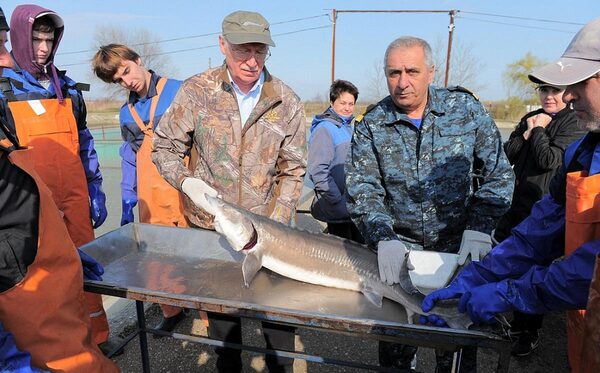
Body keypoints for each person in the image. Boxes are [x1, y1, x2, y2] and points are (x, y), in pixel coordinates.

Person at [422, 17, 600, 373]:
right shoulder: (583, 151)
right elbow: (539, 234)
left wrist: (513, 293)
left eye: (580, 83)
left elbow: (594, 269)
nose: (568, 96)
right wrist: (478, 276)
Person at [345, 36, 514, 372]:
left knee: (456, 350)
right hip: (399, 257)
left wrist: (479, 229)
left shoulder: (464, 111)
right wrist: (382, 237)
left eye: (412, 71)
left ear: (431, 72)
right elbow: (363, 188)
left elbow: (499, 175)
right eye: (393, 73)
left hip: (458, 252)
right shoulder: (373, 125)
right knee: (396, 347)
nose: (402, 82)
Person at [152, 10, 306, 373]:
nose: (251, 61)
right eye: (242, 51)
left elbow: (294, 169)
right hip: (212, 232)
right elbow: (163, 148)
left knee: (280, 334)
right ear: (222, 45)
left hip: (269, 232)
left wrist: (277, 226)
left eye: (260, 51)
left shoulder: (286, 100)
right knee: (224, 334)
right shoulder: (197, 91)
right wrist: (186, 182)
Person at [0, 6, 118, 371]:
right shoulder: (5, 90)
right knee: (47, 292)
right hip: (31, 212)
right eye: (36, 38)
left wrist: (95, 187)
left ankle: (97, 340)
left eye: (49, 39)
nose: (42, 47)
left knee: (85, 278)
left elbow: (84, 142)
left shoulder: (66, 87)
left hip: (74, 197)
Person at [91, 43, 188, 336]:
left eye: (127, 71)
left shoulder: (181, 91)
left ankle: (215, 314)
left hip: (187, 191)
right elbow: (130, 157)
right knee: (157, 257)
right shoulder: (126, 113)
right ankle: (172, 311)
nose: (127, 81)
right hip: (152, 199)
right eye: (118, 80)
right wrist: (127, 197)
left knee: (203, 250)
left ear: (138, 60)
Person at [494, 79, 585, 356]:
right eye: (543, 90)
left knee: (536, 271)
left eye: (554, 90)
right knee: (508, 261)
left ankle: (527, 332)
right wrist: (525, 133)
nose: (548, 96)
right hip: (517, 205)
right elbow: (505, 154)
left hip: (544, 210)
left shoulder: (573, 123)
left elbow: (550, 161)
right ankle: (505, 317)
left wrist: (540, 131)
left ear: (567, 94)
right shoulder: (530, 118)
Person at [308, 79, 364, 242]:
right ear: (332, 102)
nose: (347, 108)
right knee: (340, 259)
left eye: (351, 104)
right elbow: (318, 171)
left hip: (350, 208)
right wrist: (337, 201)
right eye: (343, 103)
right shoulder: (325, 129)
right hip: (338, 209)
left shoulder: (346, 127)